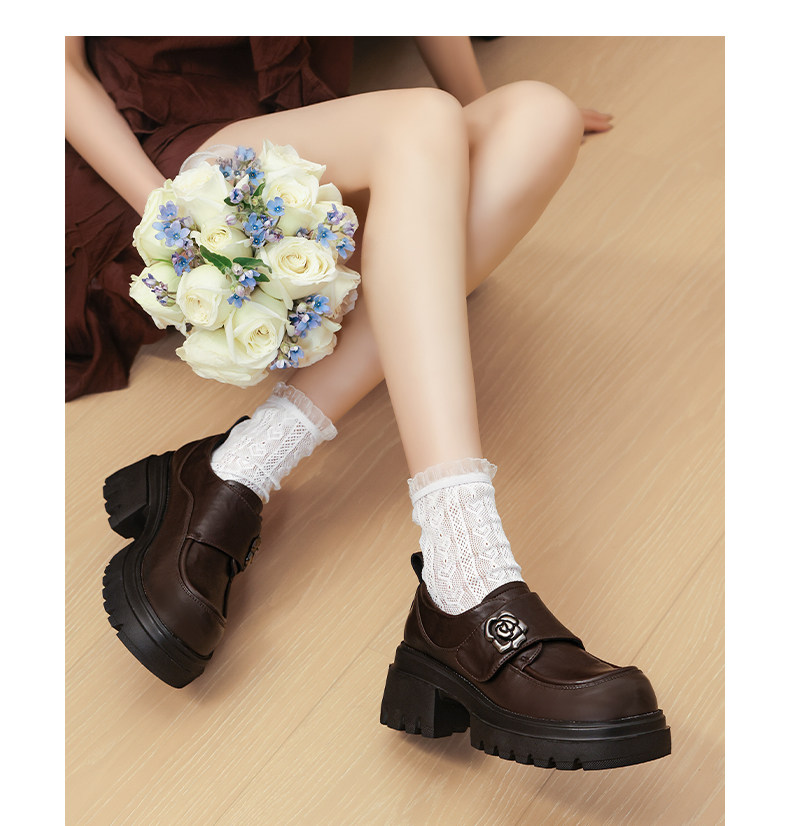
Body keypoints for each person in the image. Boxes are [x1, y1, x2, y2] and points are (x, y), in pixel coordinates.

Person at [66, 36, 669, 771]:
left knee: (541, 117)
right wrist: (181, 224)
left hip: (312, 133)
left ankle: (241, 462)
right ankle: (466, 576)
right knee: (420, 123)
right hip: (158, 163)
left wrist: (473, 135)